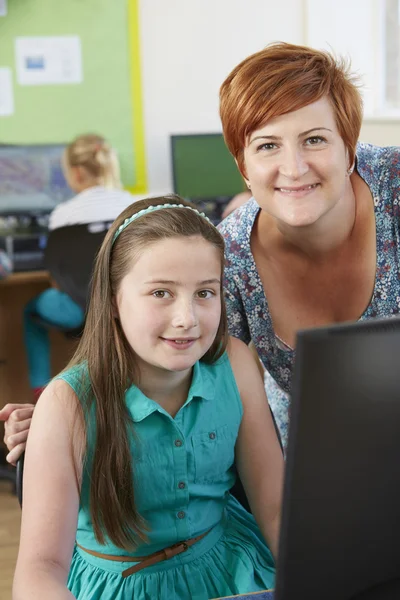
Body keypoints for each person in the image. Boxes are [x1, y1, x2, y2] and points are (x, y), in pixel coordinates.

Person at [5, 40, 400, 452]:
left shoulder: (395, 184)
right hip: (314, 454)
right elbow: (164, 353)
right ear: (242, 166)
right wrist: (67, 411)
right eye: (267, 145)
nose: (294, 168)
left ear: (349, 147)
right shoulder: (227, 256)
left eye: (314, 140)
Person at [12, 195, 283, 600]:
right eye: (161, 293)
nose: (187, 318)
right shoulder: (66, 403)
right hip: (123, 586)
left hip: (234, 567)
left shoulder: (237, 363)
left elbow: (277, 509)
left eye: (205, 293)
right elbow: (40, 570)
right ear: (114, 300)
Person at [23, 133, 133, 402]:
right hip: (125, 309)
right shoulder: (130, 205)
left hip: (75, 311)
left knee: (30, 311)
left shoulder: (62, 213)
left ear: (76, 173)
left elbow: (57, 276)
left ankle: (40, 388)